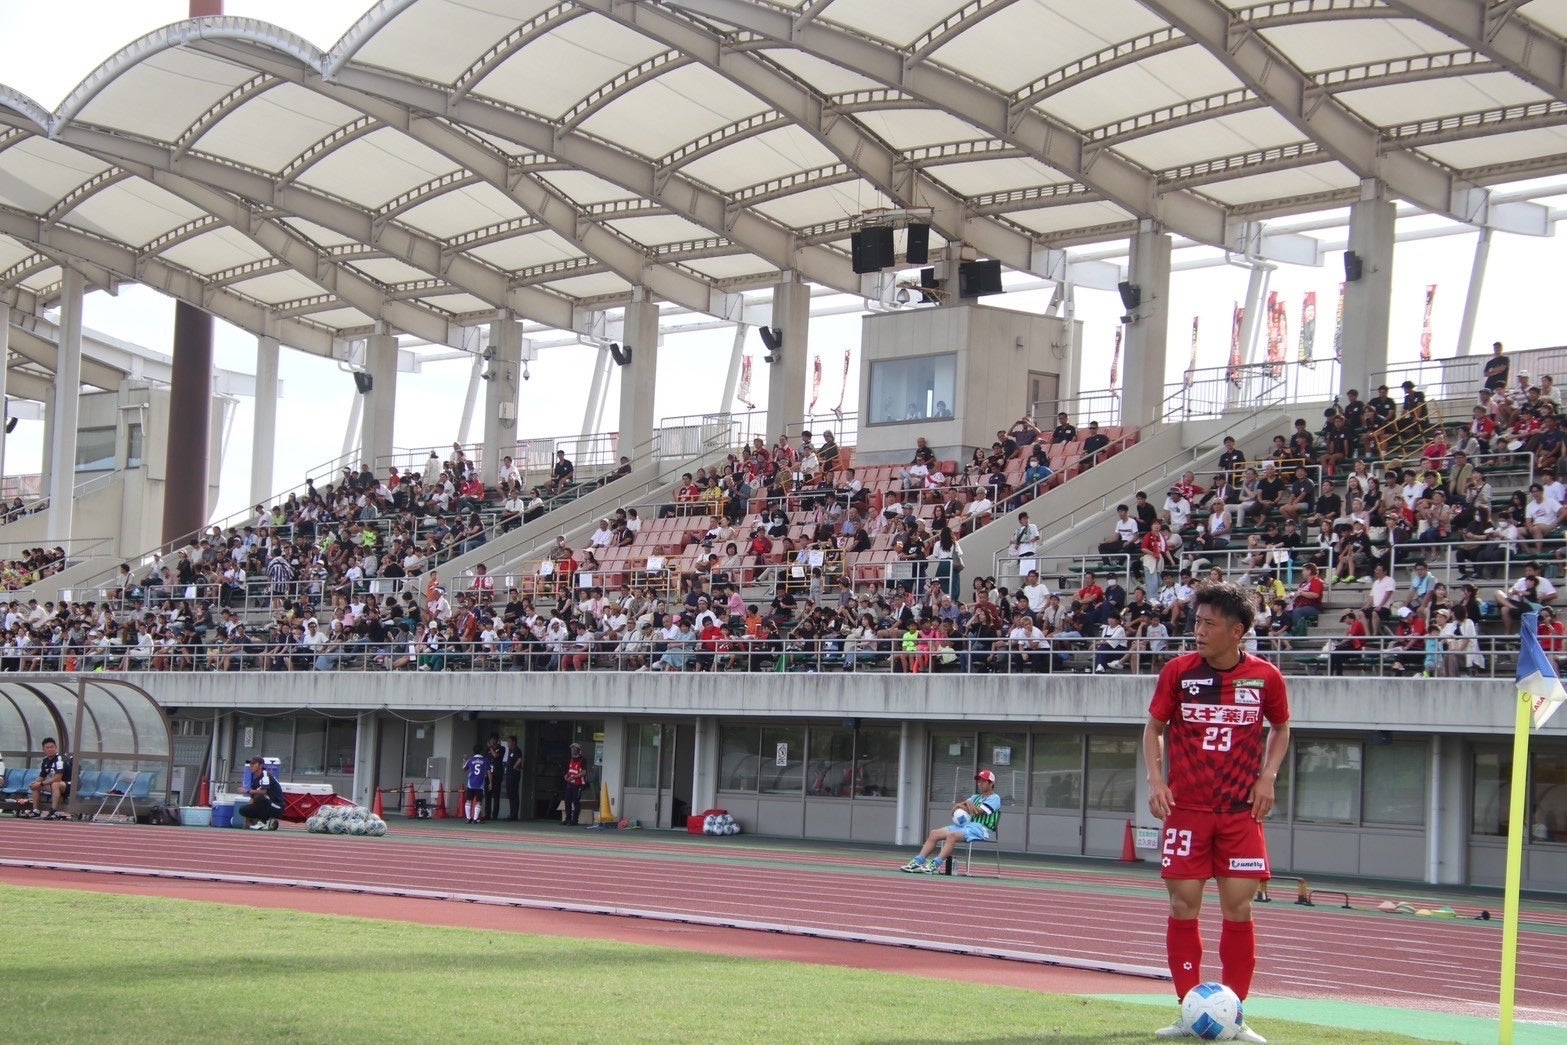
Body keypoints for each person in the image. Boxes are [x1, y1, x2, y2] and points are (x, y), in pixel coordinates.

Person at [1144, 583, 1289, 1043]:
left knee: (1239, 908)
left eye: (1209, 624)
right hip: (1186, 810)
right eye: (1197, 622)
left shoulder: (1265, 677)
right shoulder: (1178, 672)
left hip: (1240, 813)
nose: (1199, 631)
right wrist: (1156, 779)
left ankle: (1236, 1016)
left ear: (1237, 631)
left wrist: (1268, 776)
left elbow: (1281, 727)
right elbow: (1154, 727)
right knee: (1182, 904)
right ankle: (1189, 1013)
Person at [899, 769, 1002, 874]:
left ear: (991, 783)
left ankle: (935, 864)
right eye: (979, 781)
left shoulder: (995, 798)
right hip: (967, 825)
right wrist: (964, 805)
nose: (980, 783)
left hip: (982, 829)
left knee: (952, 836)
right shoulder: (976, 797)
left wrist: (965, 805)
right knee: (934, 833)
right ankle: (917, 862)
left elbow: (977, 811)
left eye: (983, 781)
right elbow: (955, 808)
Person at [26, 736, 71, 819]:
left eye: (52, 747)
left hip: (69, 785)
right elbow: (41, 777)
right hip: (56, 785)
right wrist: (35, 783)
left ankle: (53, 811)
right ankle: (36, 811)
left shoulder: (60, 759)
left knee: (55, 784)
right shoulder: (45, 761)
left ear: (56, 748)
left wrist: (41, 783)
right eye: (47, 748)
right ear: (44, 750)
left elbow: (58, 778)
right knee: (36, 785)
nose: (50, 749)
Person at [234, 756, 284, 831]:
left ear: (261, 765)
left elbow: (264, 791)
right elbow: (252, 800)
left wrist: (247, 791)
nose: (251, 766)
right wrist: (247, 820)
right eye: (250, 764)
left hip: (277, 806)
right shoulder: (255, 780)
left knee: (259, 797)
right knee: (243, 809)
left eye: (253, 763)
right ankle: (258, 823)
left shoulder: (265, 775)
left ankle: (264, 821)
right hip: (266, 803)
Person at [460, 744, 489, 824]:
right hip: (480, 784)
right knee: (478, 801)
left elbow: (464, 769)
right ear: (481, 751)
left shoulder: (470, 760)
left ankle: (468, 818)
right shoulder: (485, 760)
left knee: (468, 801)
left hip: (471, 784)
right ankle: (475, 819)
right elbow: (489, 771)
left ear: (473, 751)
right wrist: (491, 782)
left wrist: (464, 760)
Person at [563, 742, 589, 826]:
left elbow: (584, 772)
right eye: (572, 749)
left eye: (574, 748)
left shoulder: (582, 760)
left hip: (578, 784)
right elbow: (570, 769)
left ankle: (574, 820)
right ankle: (568, 819)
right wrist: (567, 775)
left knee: (576, 802)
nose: (572, 750)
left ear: (578, 750)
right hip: (570, 783)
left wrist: (574, 777)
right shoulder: (571, 759)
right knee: (567, 801)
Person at [503, 735, 524, 821]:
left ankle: (514, 815)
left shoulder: (516, 750)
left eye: (509, 742)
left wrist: (515, 766)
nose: (508, 743)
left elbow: (520, 759)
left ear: (514, 742)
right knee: (510, 794)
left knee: (514, 794)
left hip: (514, 776)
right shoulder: (510, 751)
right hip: (509, 775)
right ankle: (511, 813)